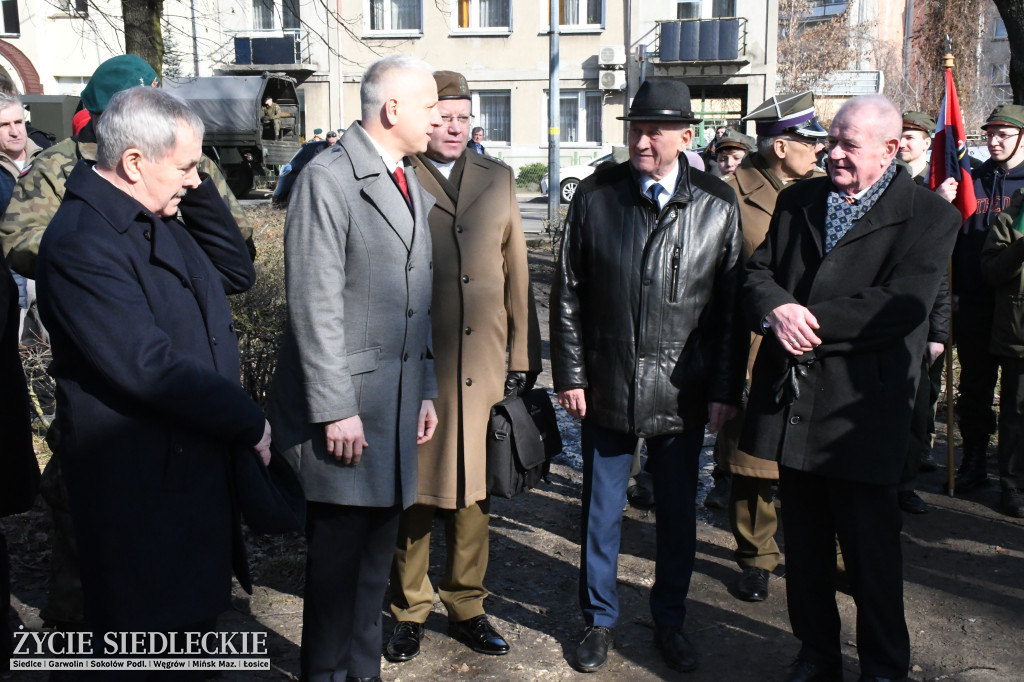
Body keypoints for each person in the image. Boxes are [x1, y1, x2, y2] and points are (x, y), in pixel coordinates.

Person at [0, 53, 253, 632]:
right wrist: (246, 420)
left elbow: (236, 272)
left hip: (184, 446)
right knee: (123, 611)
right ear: (134, 160)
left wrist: (194, 181)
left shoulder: (160, 208)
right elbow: (144, 362)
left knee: (185, 612)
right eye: (185, 167)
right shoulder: (85, 230)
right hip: (133, 457)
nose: (192, 177)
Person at [742, 94, 961, 682]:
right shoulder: (799, 200)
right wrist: (775, 309)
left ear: (890, 150)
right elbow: (756, 274)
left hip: (862, 412)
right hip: (793, 402)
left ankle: (884, 666)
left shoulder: (929, 215)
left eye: (847, 144)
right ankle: (816, 653)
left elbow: (901, 305)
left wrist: (804, 321)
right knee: (806, 548)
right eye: (830, 141)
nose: (832, 153)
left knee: (870, 555)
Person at [550, 77, 745, 674]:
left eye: (655, 131)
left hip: (681, 390)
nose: (641, 140)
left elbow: (730, 309)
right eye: (635, 128)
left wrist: (723, 388)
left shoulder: (716, 203)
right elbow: (568, 292)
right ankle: (598, 620)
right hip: (607, 382)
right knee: (600, 512)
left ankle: (670, 619)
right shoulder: (597, 195)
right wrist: (571, 375)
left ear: (686, 136)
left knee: (678, 515)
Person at [266, 54, 441, 682]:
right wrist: (335, 407)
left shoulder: (407, 178)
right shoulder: (329, 178)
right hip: (348, 412)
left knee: (373, 570)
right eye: (429, 106)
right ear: (393, 109)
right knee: (337, 572)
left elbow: (417, 301)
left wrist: (424, 387)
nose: (438, 119)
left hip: (392, 406)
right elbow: (313, 304)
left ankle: (362, 673)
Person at [385, 69, 541, 663]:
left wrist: (522, 355)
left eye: (463, 117)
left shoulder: (497, 178)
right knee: (417, 490)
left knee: (475, 489)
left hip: (482, 362)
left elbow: (516, 269)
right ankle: (410, 608)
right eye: (443, 117)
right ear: (424, 120)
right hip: (419, 358)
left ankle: (467, 605)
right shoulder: (399, 173)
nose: (454, 128)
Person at [713, 90, 826, 603]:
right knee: (751, 458)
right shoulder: (730, 194)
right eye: (809, 141)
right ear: (781, 147)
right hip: (754, 340)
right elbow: (720, 279)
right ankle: (756, 555)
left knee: (815, 454)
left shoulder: (824, 187)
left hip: (815, 340)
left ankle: (825, 552)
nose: (819, 149)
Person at [951, 104, 1024, 494]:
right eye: (990, 134)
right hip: (975, 302)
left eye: (1003, 134)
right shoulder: (972, 179)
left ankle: (1012, 474)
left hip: (1016, 306)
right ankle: (974, 459)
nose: (994, 141)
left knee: (1016, 397)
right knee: (975, 389)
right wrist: (954, 290)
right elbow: (956, 238)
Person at [979, 189, 1024, 517]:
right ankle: (1013, 484)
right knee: (1017, 412)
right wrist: (1021, 247)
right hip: (1018, 334)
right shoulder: (1011, 218)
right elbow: (991, 272)